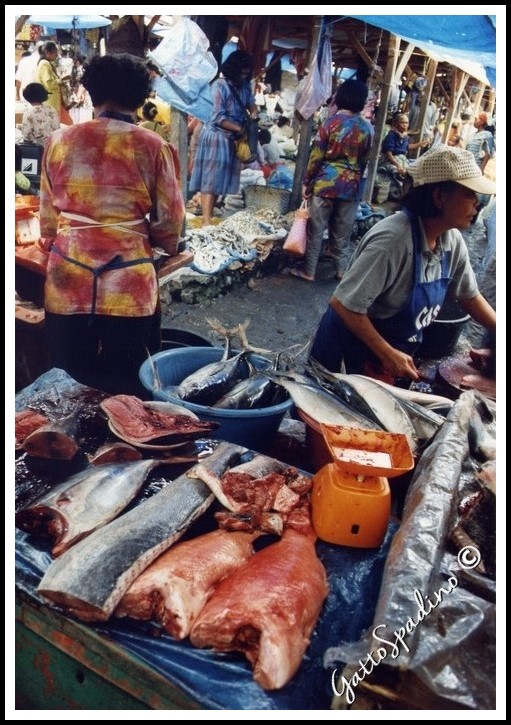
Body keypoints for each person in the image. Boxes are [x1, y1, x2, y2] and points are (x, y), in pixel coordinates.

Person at [38, 53, 185, 396]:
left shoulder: (58, 141)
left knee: (68, 386)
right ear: (141, 97)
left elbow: (48, 221)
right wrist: (166, 244)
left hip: (67, 281)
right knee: (128, 388)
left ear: (91, 92)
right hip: (129, 288)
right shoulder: (154, 146)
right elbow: (170, 223)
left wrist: (52, 237)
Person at [309, 145, 496, 384]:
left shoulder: (451, 240)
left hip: (393, 348)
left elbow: (468, 295)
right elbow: (344, 304)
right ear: (439, 197)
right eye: (469, 195)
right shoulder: (393, 241)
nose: (477, 205)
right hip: (349, 348)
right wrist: (387, 353)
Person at [290, 79, 374, 282]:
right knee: (342, 232)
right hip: (351, 186)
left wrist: (306, 182)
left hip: (325, 184)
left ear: (341, 97)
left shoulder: (330, 123)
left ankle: (309, 271)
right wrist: (353, 178)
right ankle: (341, 271)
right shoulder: (366, 128)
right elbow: (364, 161)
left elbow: (316, 156)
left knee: (316, 229)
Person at [189, 50, 257, 227]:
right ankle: (205, 220)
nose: (244, 76)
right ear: (234, 70)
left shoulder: (245, 86)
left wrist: (255, 112)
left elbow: (251, 103)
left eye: (246, 73)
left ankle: (209, 216)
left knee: (221, 180)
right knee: (211, 180)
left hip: (232, 139)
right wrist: (240, 128)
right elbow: (218, 117)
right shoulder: (220, 86)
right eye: (242, 73)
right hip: (216, 137)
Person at [375, 112, 428, 203]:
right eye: (402, 123)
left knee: (412, 172)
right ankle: (398, 195)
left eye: (406, 123)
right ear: (396, 124)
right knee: (400, 172)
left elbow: (407, 147)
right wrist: (398, 165)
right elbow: (388, 153)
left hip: (401, 159)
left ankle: (405, 195)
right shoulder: (391, 136)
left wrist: (419, 145)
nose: (405, 125)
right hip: (391, 160)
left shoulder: (405, 137)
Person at [35, 41, 73, 125]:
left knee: (66, 124)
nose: (57, 55)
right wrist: (61, 80)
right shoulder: (44, 64)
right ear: (47, 52)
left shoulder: (46, 63)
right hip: (51, 102)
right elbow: (49, 84)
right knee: (61, 126)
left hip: (53, 102)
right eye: (55, 52)